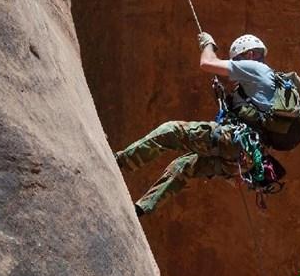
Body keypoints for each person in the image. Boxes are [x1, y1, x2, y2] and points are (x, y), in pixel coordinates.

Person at [114, 32, 277, 217]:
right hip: (246, 158)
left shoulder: (256, 68)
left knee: (172, 131)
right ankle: (141, 210)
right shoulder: (269, 84)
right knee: (185, 165)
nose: (238, 65)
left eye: (238, 60)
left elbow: (207, 63)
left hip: (235, 142)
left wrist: (208, 45)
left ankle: (119, 162)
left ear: (250, 55)